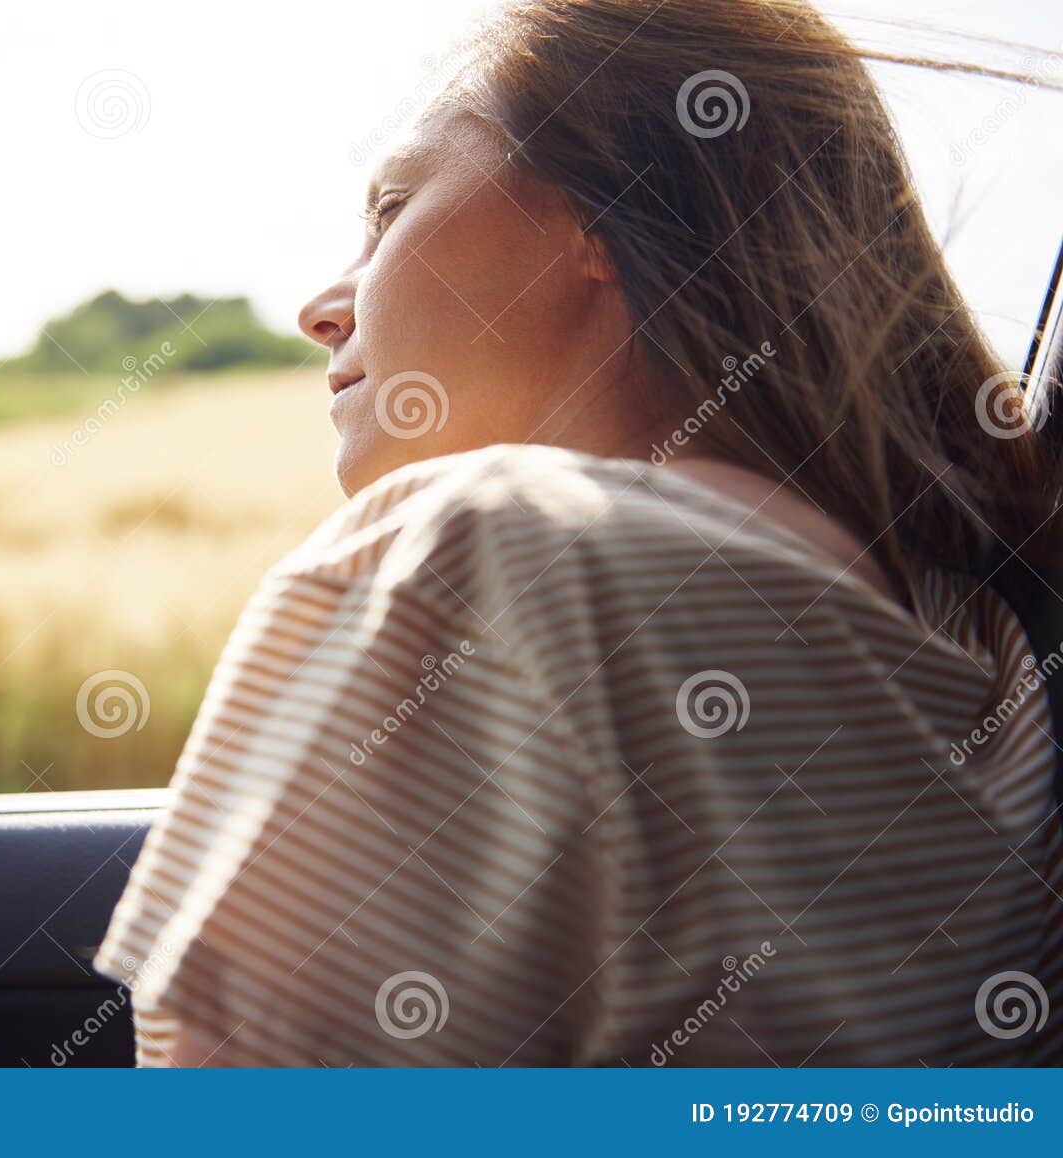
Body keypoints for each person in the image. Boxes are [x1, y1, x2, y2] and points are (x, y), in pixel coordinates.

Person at [94, 0, 1063, 1066]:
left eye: (392, 209)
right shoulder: (980, 637)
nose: (321, 308)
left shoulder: (483, 561)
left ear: (603, 214)